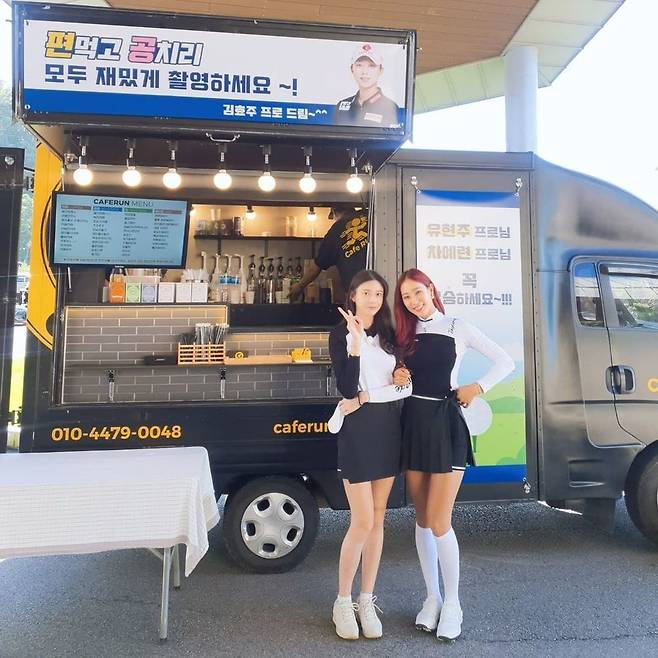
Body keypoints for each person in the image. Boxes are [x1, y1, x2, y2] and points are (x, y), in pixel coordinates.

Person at [393, 268, 514, 642]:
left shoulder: (457, 326)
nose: (414, 301)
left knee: (439, 520)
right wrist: (398, 373)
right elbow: (393, 375)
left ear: (431, 289)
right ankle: (432, 598)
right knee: (422, 519)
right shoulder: (404, 334)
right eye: (406, 297)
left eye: (417, 292)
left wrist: (478, 387)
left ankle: (454, 604)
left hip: (446, 424)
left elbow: (505, 360)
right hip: (414, 423)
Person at [328, 270, 412, 640]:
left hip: (388, 429)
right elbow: (347, 388)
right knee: (361, 521)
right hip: (357, 433)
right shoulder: (341, 334)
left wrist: (375, 392)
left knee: (377, 519)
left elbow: (404, 387)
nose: (373, 299)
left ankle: (366, 599)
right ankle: (342, 601)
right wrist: (355, 343)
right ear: (352, 296)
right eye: (366, 293)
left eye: (378, 293)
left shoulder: (391, 335)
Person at [288, 206, 368, 301]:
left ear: (333, 212)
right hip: (379, 283)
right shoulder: (368, 214)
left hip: (357, 293)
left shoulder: (335, 232)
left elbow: (315, 268)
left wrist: (299, 286)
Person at [333, 43, 401, 128]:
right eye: (359, 65)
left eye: (371, 66)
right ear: (352, 69)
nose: (364, 72)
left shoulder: (390, 108)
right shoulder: (341, 106)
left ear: (381, 70)